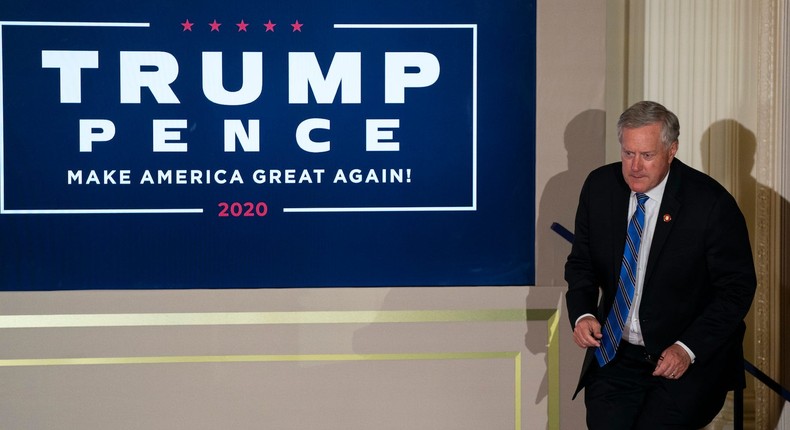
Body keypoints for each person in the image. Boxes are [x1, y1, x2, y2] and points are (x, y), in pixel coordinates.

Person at [565, 101, 756, 429]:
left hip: (684, 363)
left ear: (672, 150)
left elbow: (736, 289)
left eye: (647, 155)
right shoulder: (600, 188)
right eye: (628, 153)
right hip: (617, 357)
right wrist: (583, 314)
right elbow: (581, 262)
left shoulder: (711, 204)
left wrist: (687, 348)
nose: (635, 167)